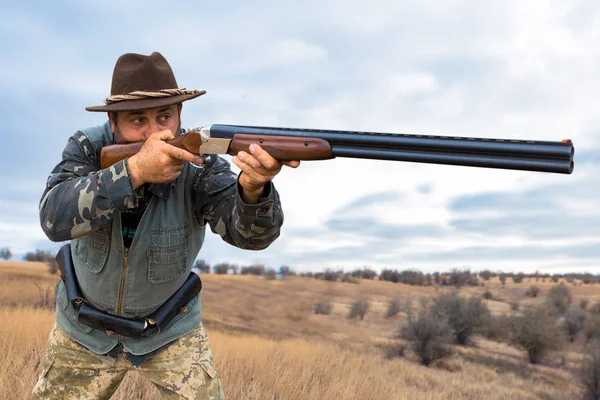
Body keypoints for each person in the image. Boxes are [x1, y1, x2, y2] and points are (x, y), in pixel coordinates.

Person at [33, 51, 299, 399]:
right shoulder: (88, 146)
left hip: (170, 330)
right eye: (137, 120)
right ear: (113, 123)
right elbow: (54, 217)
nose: (155, 132)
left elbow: (250, 237)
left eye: (164, 117)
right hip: (84, 329)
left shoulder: (201, 162)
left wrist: (253, 190)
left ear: (180, 116)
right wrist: (134, 172)